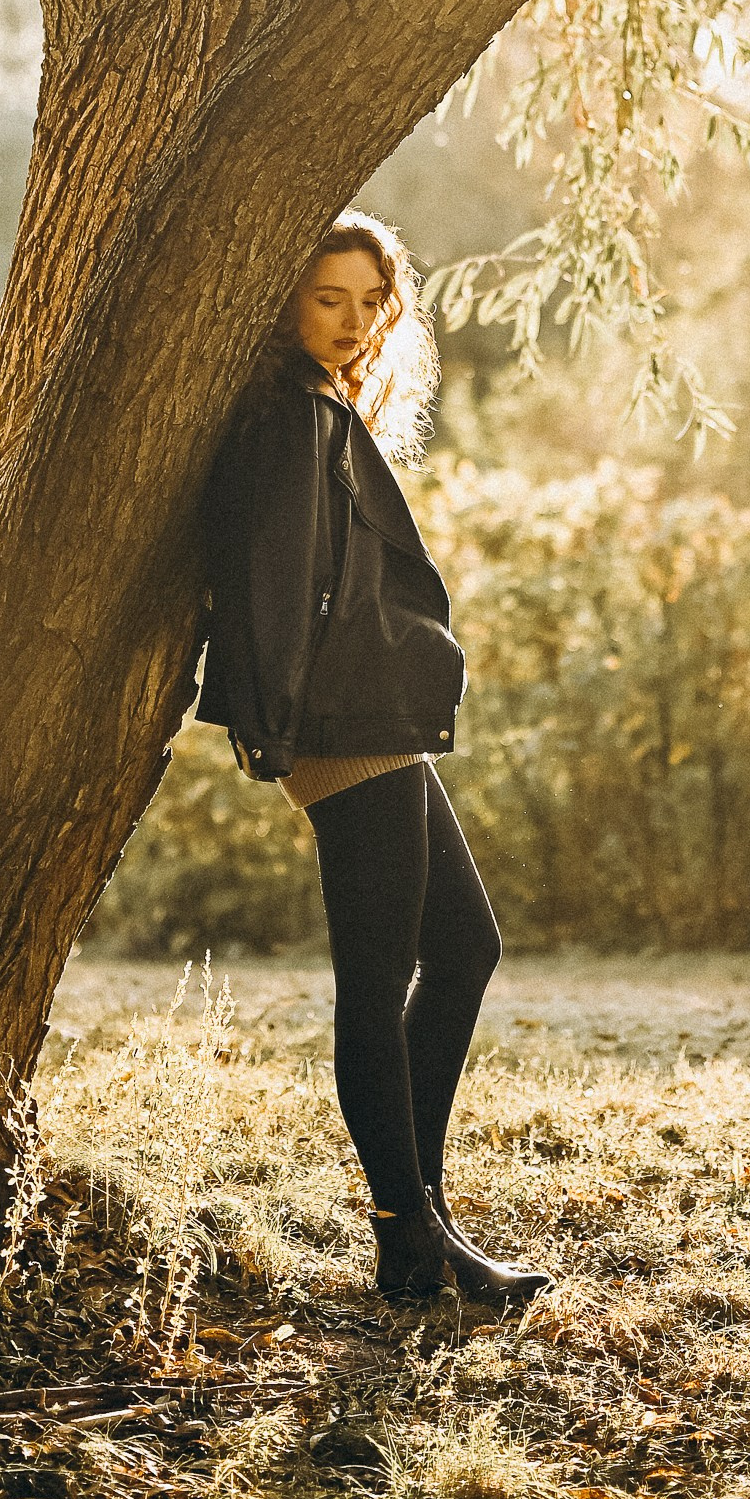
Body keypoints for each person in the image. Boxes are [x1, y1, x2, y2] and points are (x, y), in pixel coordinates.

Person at [198, 212, 548, 1309]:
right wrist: (282, 724)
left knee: (463, 948)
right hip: (339, 724)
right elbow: (270, 583)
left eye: (365, 303)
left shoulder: (315, 414)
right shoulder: (295, 421)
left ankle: (423, 1220)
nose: (349, 326)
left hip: (364, 717)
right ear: (284, 304)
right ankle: (406, 1238)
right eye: (324, 301)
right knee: (380, 974)